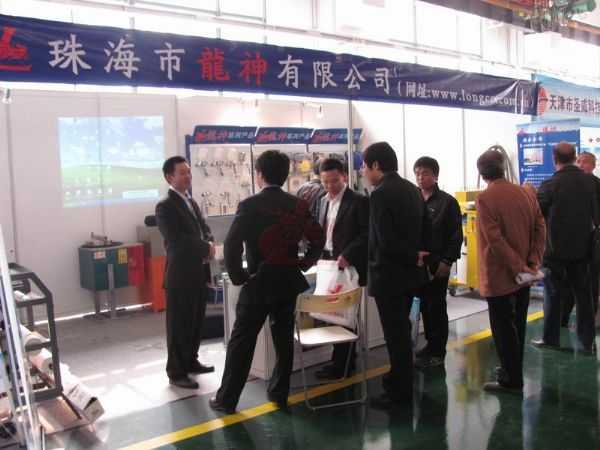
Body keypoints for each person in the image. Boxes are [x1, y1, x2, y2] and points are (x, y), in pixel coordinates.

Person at [210, 150, 324, 414]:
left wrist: (239, 277)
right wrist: (304, 263)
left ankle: (227, 400)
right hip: (288, 282)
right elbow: (317, 238)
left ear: (259, 174)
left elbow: (232, 245)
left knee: (242, 341)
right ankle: (279, 394)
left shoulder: (249, 205)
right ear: (285, 175)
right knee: (283, 340)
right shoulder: (298, 205)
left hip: (258, 282)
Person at [361, 141, 430, 408]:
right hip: (410, 276)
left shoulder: (379, 194)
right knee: (403, 332)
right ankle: (399, 380)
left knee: (395, 336)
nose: (364, 172)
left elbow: (385, 241)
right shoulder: (412, 190)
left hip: (388, 277)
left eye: (365, 167)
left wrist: (409, 255)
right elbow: (425, 229)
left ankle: (399, 393)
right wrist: (416, 256)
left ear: (376, 165)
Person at [475, 150, 545, 392]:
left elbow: (495, 241)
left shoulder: (485, 198)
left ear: (482, 173)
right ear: (503, 168)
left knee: (503, 328)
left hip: (500, 276)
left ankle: (511, 379)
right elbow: (540, 227)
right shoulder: (525, 192)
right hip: (524, 276)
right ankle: (512, 369)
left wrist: (518, 267)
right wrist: (532, 263)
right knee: (518, 324)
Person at [155, 156, 216, 389]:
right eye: (182, 173)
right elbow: (177, 240)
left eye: (189, 172)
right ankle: (176, 371)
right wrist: (205, 248)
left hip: (198, 272)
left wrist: (209, 243)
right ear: (169, 177)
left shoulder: (191, 201)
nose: (188, 176)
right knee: (179, 324)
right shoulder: (165, 206)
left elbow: (203, 229)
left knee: (195, 321)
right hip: (180, 275)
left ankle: (191, 360)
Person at [532, 142, 598, 353]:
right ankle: (587, 342)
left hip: (555, 252)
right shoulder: (591, 183)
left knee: (552, 294)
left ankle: (550, 339)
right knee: (584, 296)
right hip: (584, 251)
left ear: (554, 159)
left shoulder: (549, 185)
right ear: (575, 157)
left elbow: (537, 218)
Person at [313, 158, 369, 380]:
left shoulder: (359, 201)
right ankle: (339, 361)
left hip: (348, 265)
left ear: (344, 176)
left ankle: (344, 364)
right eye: (325, 182)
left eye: (334, 181)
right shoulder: (322, 200)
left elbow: (367, 234)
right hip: (327, 263)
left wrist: (349, 254)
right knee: (331, 314)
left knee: (345, 315)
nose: (330, 186)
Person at [413, 157, 463, 369]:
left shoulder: (447, 202)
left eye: (425, 173)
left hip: (438, 263)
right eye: (417, 173)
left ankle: (438, 351)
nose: (420, 177)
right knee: (424, 306)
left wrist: (447, 261)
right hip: (417, 263)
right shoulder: (413, 199)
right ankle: (430, 344)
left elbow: (455, 235)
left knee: (436, 306)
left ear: (435, 176)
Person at [561, 151, 600, 326]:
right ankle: (564, 317)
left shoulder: (596, 184)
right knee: (569, 282)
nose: (581, 164)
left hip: (592, 241)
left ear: (593, 165)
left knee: (591, 282)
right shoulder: (570, 183)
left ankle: (589, 320)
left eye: (585, 162)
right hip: (572, 241)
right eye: (578, 161)